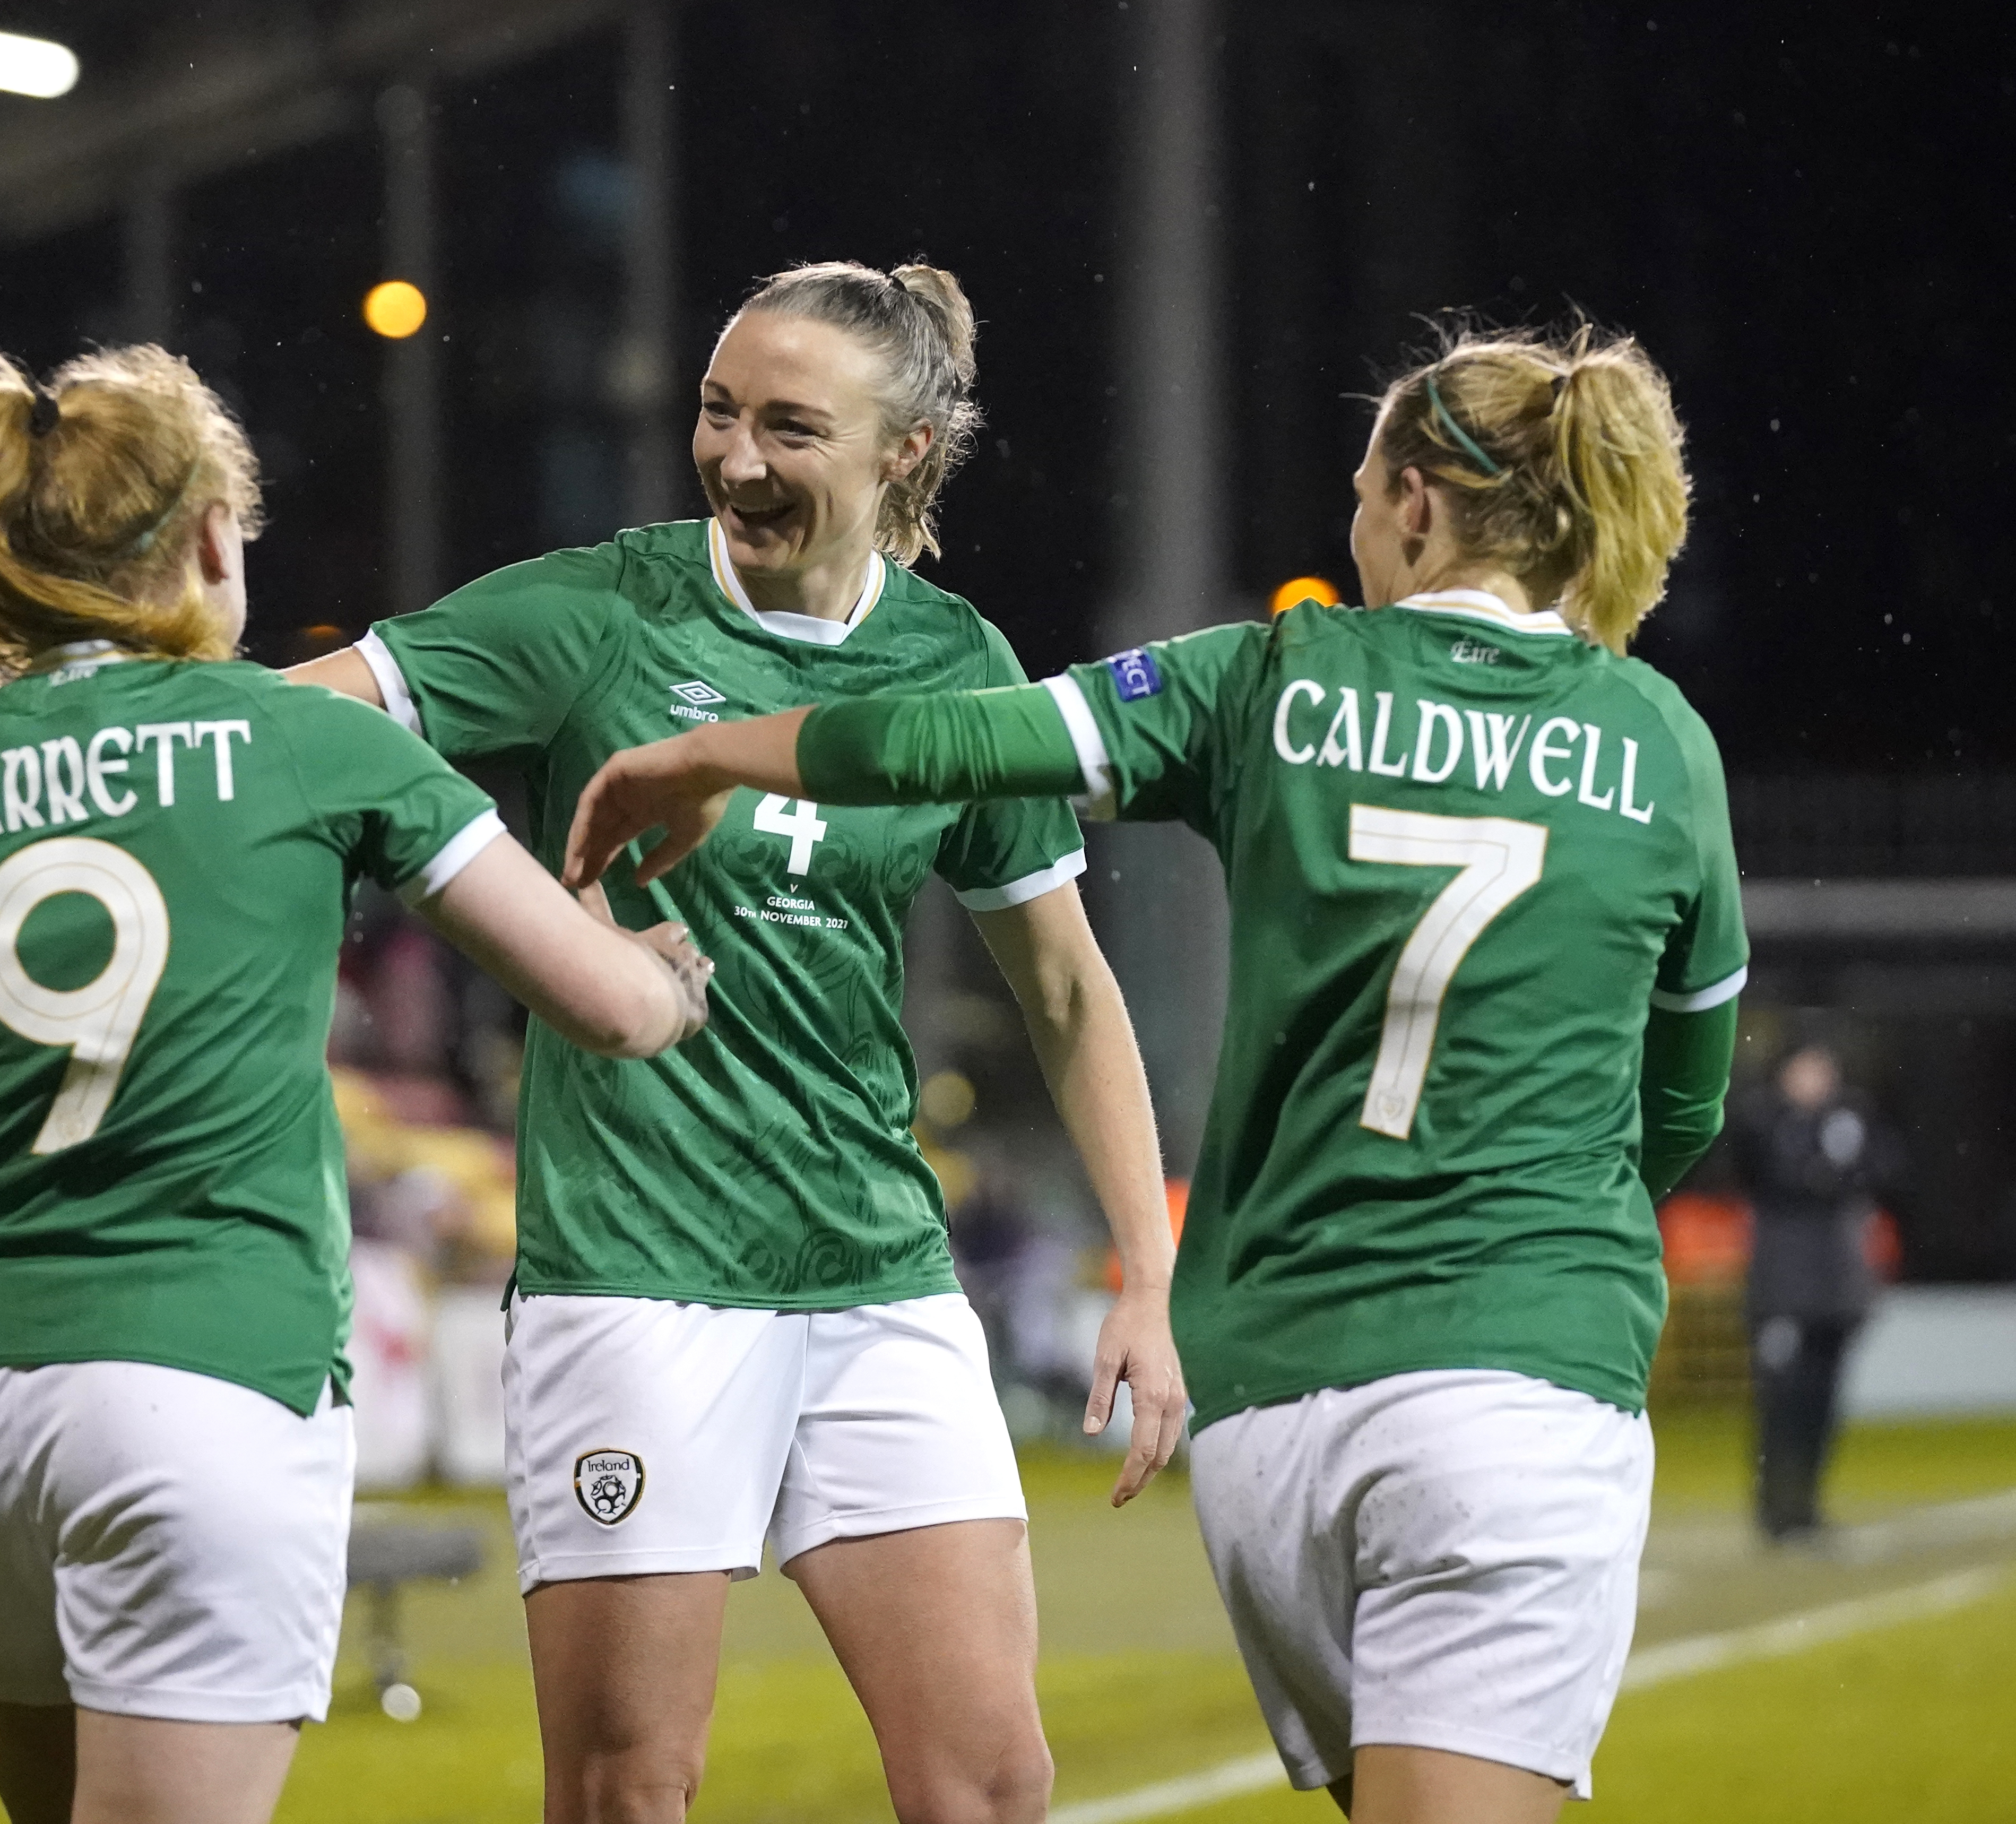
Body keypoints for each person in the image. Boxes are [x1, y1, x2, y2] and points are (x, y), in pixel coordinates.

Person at [0, 260, 1183, 1824]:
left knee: (990, 1780)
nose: (737, 455)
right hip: (632, 1276)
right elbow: (274, 716)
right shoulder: (591, 609)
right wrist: (26, 716)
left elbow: (1062, 987)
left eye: (791, 426)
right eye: (718, 411)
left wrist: (1147, 1272)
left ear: (902, 452)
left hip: (875, 1276)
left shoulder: (955, 663)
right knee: (627, 1784)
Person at [567, 321, 1746, 1824]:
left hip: (1271, 1413)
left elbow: (951, 740)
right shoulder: (1657, 741)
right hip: (1513, 1388)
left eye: (1361, 484)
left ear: (1417, 507)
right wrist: (1552, 1230)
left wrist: (722, 750)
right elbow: (1689, 1095)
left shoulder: (1271, 677)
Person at [0, 345, 710, 1824]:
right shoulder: (316, 742)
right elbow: (613, 1005)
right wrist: (672, 966)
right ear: (203, 538)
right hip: (200, 1371)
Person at [1729, 1040, 1896, 1542]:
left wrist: (1828, 1171)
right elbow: (1770, 1172)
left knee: (1822, 1402)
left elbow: (1885, 1170)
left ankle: (1807, 1507)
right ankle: (1775, 1510)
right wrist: (1821, 1170)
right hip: (1782, 1288)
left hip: (1838, 1287)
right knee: (1782, 1400)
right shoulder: (1764, 1119)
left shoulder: (1850, 1118)